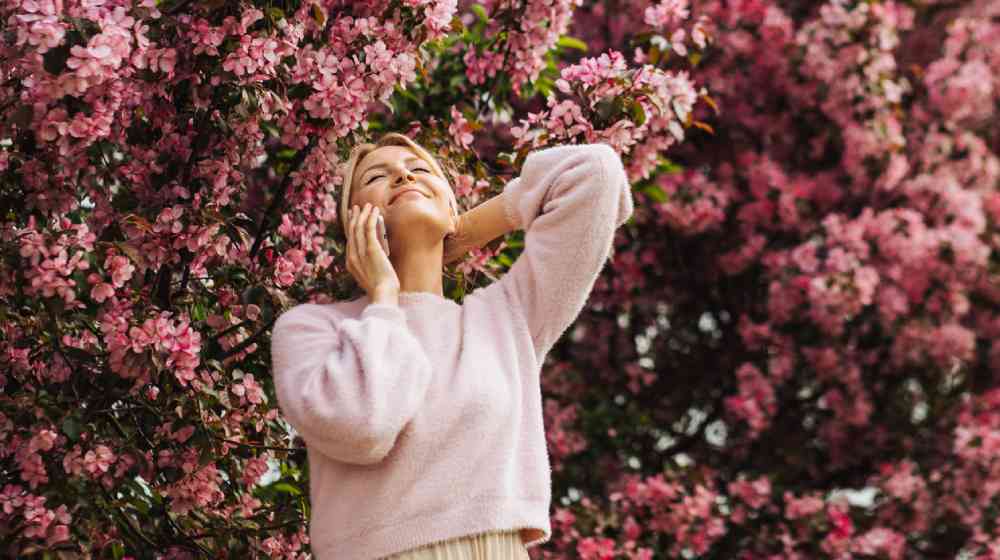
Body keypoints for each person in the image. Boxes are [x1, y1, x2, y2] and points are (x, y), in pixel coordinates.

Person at [270, 132, 634, 560]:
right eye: (376, 177)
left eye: (419, 170)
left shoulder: (506, 320)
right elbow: (362, 427)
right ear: (353, 221)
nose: (404, 175)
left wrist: (461, 230)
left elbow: (596, 172)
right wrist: (384, 296)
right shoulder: (313, 329)